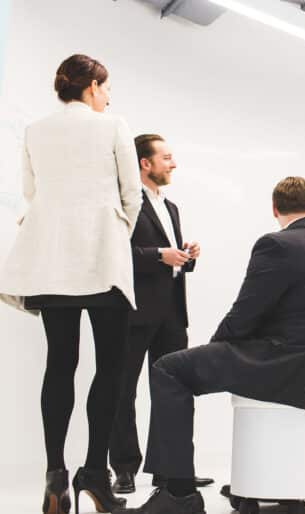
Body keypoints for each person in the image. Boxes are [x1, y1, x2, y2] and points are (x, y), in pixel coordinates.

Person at [118, 177, 305, 514]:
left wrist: (213, 351)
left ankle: (178, 494)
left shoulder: (277, 244)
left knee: (170, 369)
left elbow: (245, 314)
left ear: (275, 209)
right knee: (187, 365)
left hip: (295, 363)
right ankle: (240, 481)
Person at [0, 54, 141, 514]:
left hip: (52, 259)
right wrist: (115, 234)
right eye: (106, 87)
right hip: (102, 259)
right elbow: (132, 195)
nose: (108, 96)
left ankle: (55, 478)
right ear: (93, 86)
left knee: (60, 364)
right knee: (111, 367)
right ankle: (96, 476)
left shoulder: (35, 130)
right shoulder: (113, 125)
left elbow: (32, 192)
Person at [108, 134, 212, 494]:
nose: (173, 164)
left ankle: (172, 471)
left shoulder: (171, 207)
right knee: (123, 391)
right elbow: (116, 253)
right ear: (145, 163)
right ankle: (124, 469)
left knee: (175, 390)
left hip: (172, 313)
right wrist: (158, 255)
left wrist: (186, 255)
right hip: (133, 312)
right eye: (166, 157)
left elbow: (171, 259)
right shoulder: (125, 202)